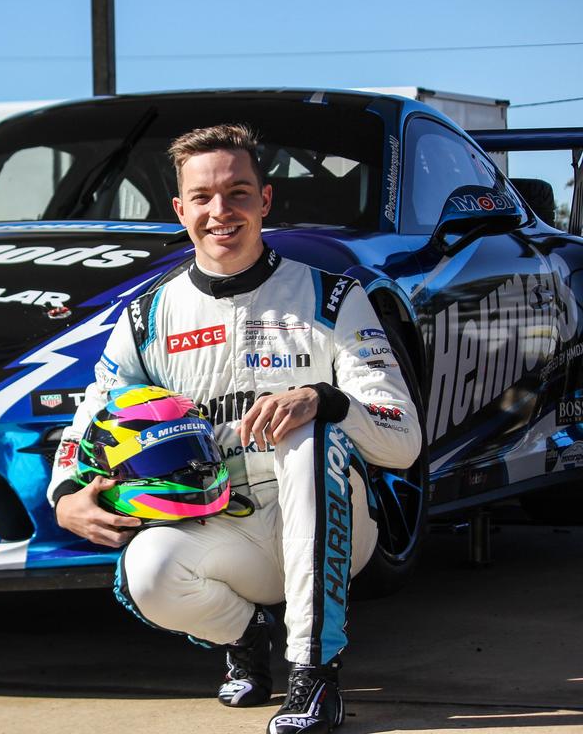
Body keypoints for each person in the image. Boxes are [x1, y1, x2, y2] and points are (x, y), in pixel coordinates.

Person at [47, 123, 421, 734]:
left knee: (304, 434)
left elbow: (401, 442)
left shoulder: (331, 296)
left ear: (265, 200)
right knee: (149, 569)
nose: (221, 211)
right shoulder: (147, 316)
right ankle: (248, 640)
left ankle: (314, 675)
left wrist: (324, 399)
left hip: (333, 520)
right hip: (222, 523)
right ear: (180, 208)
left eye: (238, 192)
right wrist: (65, 494)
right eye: (203, 197)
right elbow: (92, 414)